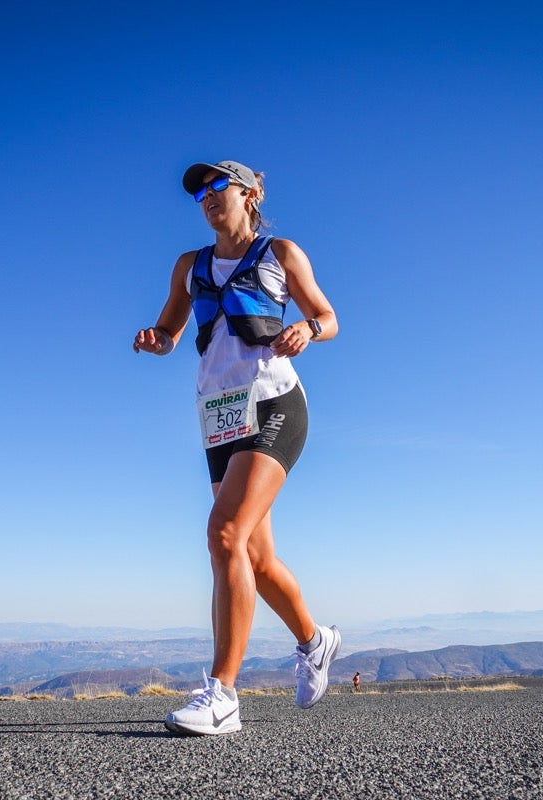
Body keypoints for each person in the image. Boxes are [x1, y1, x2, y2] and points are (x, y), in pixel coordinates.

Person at [134, 159, 341, 736]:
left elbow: (328, 316)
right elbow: (171, 333)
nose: (205, 196)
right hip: (219, 418)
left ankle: (222, 694)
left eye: (217, 185)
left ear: (251, 195)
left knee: (223, 533)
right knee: (252, 555)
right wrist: (155, 341)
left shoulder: (280, 253)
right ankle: (314, 640)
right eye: (199, 190)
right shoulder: (188, 266)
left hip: (275, 404)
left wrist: (308, 329)